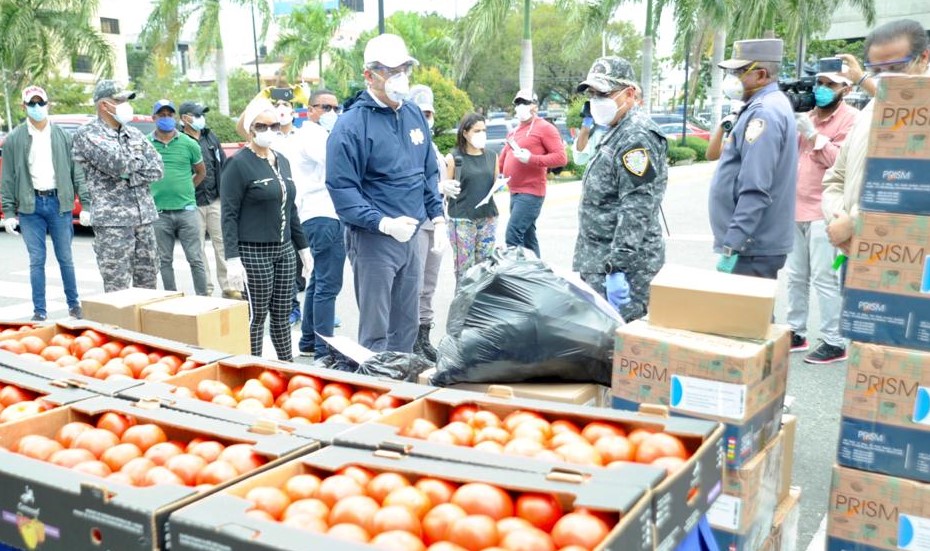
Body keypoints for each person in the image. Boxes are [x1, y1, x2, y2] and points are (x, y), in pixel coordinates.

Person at [326, 33, 448, 354]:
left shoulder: (413, 114)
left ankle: (403, 383)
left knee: (406, 323)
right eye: (391, 71)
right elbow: (342, 188)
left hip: (413, 235)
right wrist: (382, 223)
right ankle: (377, 390)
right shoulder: (352, 125)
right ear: (370, 75)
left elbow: (427, 172)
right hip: (374, 239)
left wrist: (438, 217)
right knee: (377, 327)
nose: (400, 78)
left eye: (404, 69)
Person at [573, 56, 669, 322]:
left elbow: (638, 205)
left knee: (622, 349)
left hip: (624, 268)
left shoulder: (636, 136)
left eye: (603, 93)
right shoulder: (615, 129)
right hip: (599, 260)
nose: (595, 100)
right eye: (592, 93)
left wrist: (618, 267)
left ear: (629, 93)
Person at [822, 19, 930, 254]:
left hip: (913, 261)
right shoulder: (870, 111)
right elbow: (835, 178)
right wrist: (838, 221)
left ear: (924, 58)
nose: (886, 78)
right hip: (856, 255)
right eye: (877, 71)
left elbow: (915, 190)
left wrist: (856, 223)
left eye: (896, 68)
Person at [221, 98, 311, 361]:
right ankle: (254, 367)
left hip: (284, 250)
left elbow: (290, 207)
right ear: (250, 129)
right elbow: (228, 214)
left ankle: (287, 367)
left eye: (274, 125)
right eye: (262, 126)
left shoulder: (281, 160)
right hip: (253, 250)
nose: (269, 130)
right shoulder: (238, 164)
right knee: (257, 315)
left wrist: (303, 247)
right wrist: (232, 258)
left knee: (283, 314)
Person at [708, 39, 798, 279]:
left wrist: (734, 242)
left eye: (739, 72)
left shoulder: (764, 113)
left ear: (761, 75)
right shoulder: (761, 106)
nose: (733, 78)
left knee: (744, 315)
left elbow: (756, 186)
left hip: (752, 246)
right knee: (751, 315)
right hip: (753, 245)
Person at [1, 85, 90, 320]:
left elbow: (77, 172)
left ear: (48, 104)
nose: (37, 108)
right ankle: (39, 311)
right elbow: (8, 177)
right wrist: (9, 211)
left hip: (59, 203)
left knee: (65, 258)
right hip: (31, 207)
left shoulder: (63, 136)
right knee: (37, 260)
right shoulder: (14, 139)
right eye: (32, 104)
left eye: (41, 103)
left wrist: (87, 205)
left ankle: (74, 305)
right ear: (24, 107)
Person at [787, 72, 857, 365]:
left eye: (831, 84)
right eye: (819, 83)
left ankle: (834, 340)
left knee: (824, 278)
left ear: (847, 88)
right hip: (796, 208)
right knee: (795, 277)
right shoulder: (808, 115)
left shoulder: (852, 119)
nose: (822, 89)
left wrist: (814, 136)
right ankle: (796, 331)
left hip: (826, 212)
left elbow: (841, 164)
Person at [73, 79, 165, 292]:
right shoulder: (88, 134)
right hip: (113, 223)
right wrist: (135, 164)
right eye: (120, 100)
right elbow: (118, 164)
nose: (125, 104)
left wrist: (130, 171)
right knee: (118, 290)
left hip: (144, 218)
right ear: (104, 105)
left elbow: (158, 168)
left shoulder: (134, 133)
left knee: (148, 286)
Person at [289, 88, 347, 363]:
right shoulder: (312, 136)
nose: (331, 113)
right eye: (324, 107)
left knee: (319, 281)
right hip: (323, 214)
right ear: (310, 109)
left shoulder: (320, 134)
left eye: (335, 108)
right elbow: (337, 162)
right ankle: (325, 350)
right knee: (328, 283)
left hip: (321, 214)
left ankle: (310, 340)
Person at [148, 99, 208, 296]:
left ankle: (203, 297)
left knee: (195, 258)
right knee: (164, 260)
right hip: (159, 213)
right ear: (154, 118)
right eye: (162, 115)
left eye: (169, 115)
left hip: (187, 211)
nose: (166, 118)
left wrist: (188, 189)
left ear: (174, 117)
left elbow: (201, 172)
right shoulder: (146, 144)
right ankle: (170, 298)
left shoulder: (189, 143)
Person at [498, 90, 567, 258]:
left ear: (534, 106)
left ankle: (519, 276)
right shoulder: (514, 132)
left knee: (513, 235)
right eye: (518, 103)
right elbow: (503, 158)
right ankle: (537, 275)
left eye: (525, 102)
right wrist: (498, 175)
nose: (520, 106)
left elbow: (561, 158)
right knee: (528, 238)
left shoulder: (545, 128)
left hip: (531, 192)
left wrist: (532, 158)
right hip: (514, 191)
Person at [179, 101, 237, 299]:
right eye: (197, 115)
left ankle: (229, 286)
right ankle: (206, 289)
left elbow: (222, 163)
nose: (201, 118)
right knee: (198, 248)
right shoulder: (179, 139)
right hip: (191, 202)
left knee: (223, 244)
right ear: (185, 118)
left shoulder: (210, 136)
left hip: (215, 199)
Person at [409, 84, 448, 362]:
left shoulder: (431, 145)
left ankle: (424, 336)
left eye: (429, 113)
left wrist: (444, 188)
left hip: (436, 221)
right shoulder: (408, 144)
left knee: (429, 284)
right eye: (420, 112)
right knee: (415, 282)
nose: (426, 118)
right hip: (417, 221)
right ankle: (411, 338)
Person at [443, 113, 499, 281]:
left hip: (487, 216)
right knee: (464, 267)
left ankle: (480, 303)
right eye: (476, 130)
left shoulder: (491, 156)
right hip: (462, 218)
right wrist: (446, 188)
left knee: (485, 266)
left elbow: (495, 182)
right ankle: (463, 303)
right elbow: (444, 186)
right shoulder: (454, 158)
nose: (481, 134)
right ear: (465, 133)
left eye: (484, 130)